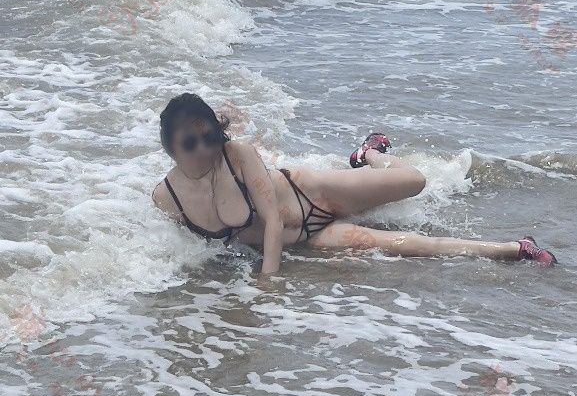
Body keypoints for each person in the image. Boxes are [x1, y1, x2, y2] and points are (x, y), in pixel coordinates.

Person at [152, 93, 557, 276]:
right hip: (311, 237)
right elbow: (193, 249)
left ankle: (370, 154)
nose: (204, 149)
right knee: (409, 246)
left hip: (312, 194)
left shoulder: (237, 154)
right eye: (190, 143)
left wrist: (268, 283)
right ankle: (515, 249)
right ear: (170, 147)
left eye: (210, 136)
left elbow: (271, 221)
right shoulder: (168, 199)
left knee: (415, 180)